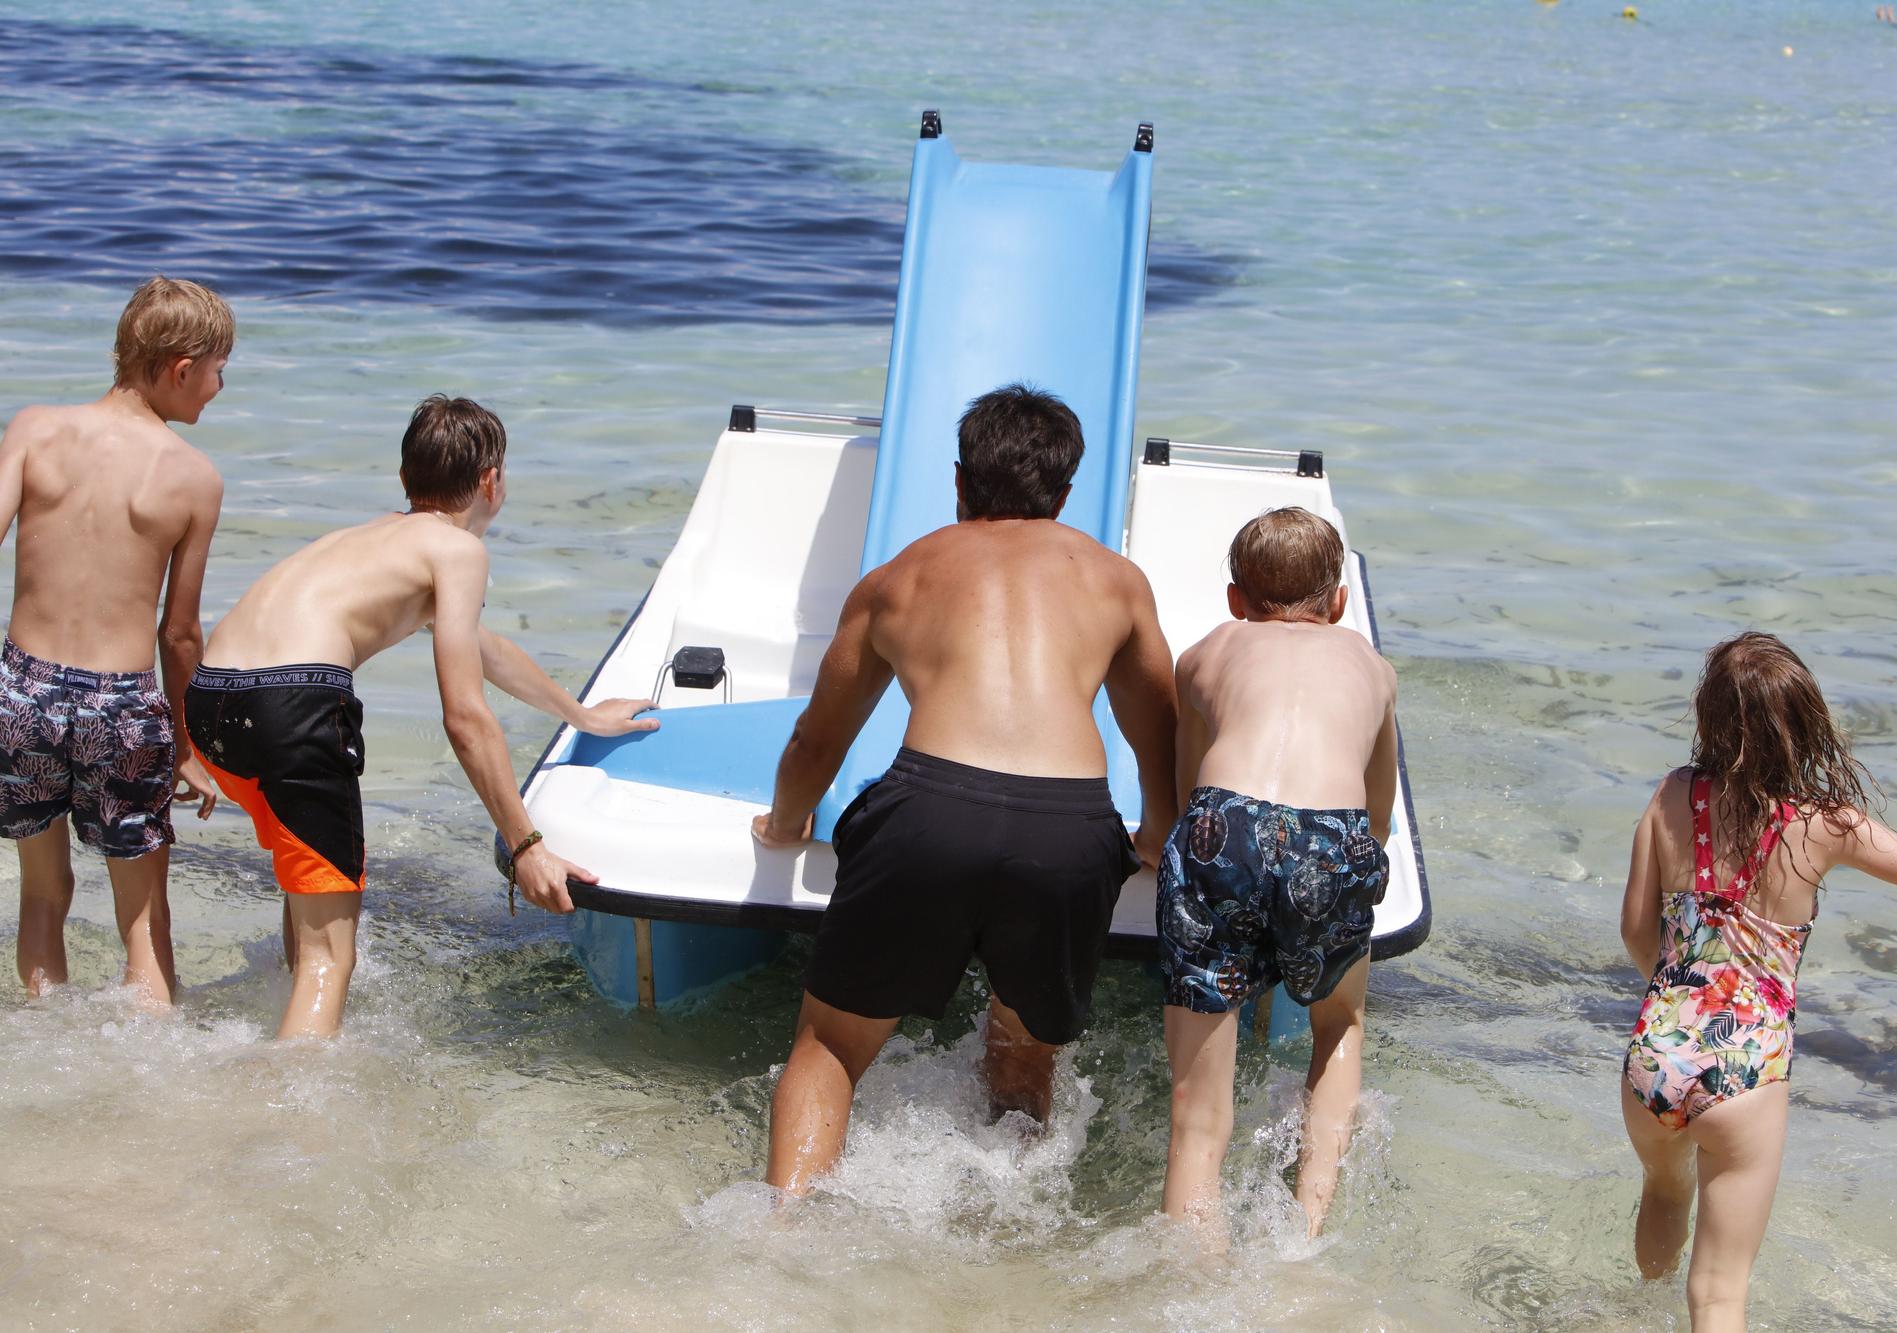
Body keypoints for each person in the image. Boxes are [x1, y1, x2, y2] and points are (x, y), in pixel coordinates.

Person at [751, 382, 1178, 1195]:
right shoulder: (1117, 582)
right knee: (1022, 1054)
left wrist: (787, 819)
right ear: (1064, 492)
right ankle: (999, 1246)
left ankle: (782, 1242)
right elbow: (1156, 729)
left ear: (957, 479)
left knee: (833, 1049)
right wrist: (1156, 829)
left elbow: (818, 737)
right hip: (1066, 827)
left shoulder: (899, 579)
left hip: (929, 813)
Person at [185, 394, 656, 1039]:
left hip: (212, 703)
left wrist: (582, 715)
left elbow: (486, 651)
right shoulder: (457, 552)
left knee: (310, 903)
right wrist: (526, 846)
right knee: (332, 960)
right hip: (291, 707)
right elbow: (464, 716)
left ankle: (282, 1034)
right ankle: (286, 1121)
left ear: (407, 480)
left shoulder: (372, 540)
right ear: (492, 483)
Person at [1619, 632, 1897, 1332]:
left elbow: (1634, 928)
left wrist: (1679, 996)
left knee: (1666, 1194)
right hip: (1746, 1069)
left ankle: (1635, 1314)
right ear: (1804, 722)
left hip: (1655, 1051)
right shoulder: (1824, 824)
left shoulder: (1673, 794)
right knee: (1719, 1293)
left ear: (1709, 714)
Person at [1154, 508, 1398, 1243]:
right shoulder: (1373, 667)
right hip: (1332, 837)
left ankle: (1194, 1278)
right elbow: (1377, 819)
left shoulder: (1205, 652)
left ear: (1237, 600)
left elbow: (1187, 794)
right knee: (1339, 1021)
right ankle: (1307, 1230)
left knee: (1197, 1116)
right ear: (1340, 601)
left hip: (1225, 826)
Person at [0, 276, 232, 1007]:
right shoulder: (193, 478)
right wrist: (189, 748)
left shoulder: (35, 428)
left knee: (43, 893)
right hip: (121, 707)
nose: (219, 389)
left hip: (22, 692)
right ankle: (147, 1084)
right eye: (220, 370)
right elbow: (180, 632)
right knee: (143, 917)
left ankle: (47, 1042)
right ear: (181, 367)